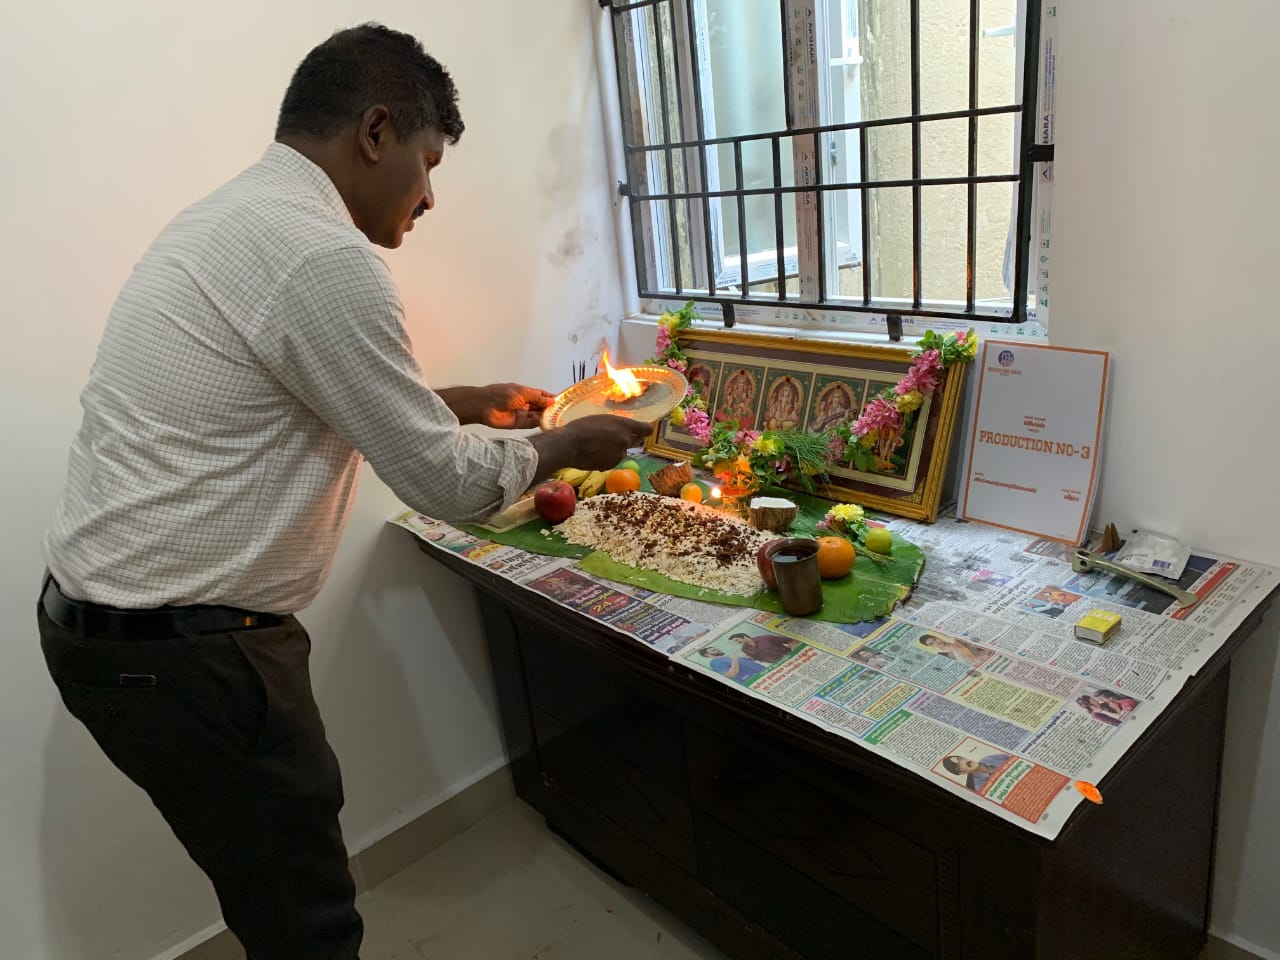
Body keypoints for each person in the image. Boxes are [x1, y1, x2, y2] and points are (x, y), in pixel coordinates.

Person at [35, 24, 652, 960]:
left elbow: (289, 393)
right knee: (304, 915)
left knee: (268, 882)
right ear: (375, 132)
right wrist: (568, 443)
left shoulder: (228, 218)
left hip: (107, 632)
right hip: (188, 654)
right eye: (428, 163)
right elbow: (447, 484)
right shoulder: (325, 256)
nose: (431, 197)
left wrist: (461, 401)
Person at [942, 753, 1011, 793]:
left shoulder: (989, 758)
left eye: (959, 759)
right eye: (958, 765)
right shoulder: (979, 786)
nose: (965, 762)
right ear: (962, 773)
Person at [699, 645, 767, 684]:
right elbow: (731, 674)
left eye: (716, 649)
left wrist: (746, 659)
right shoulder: (715, 662)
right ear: (707, 655)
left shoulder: (727, 657)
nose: (718, 650)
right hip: (754, 681)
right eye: (714, 650)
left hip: (764, 673)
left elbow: (740, 665)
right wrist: (735, 660)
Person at [724, 630, 796, 664]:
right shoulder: (744, 649)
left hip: (791, 657)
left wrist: (793, 645)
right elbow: (758, 658)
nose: (737, 642)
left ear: (744, 636)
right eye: (735, 642)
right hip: (778, 664)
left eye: (737, 640)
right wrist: (750, 658)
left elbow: (788, 640)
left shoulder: (765, 638)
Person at [918, 633, 987, 667]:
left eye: (935, 639)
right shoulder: (942, 656)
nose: (937, 643)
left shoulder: (958, 640)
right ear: (929, 646)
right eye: (931, 643)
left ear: (937, 637)